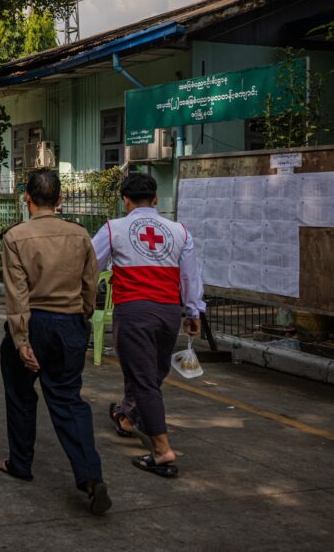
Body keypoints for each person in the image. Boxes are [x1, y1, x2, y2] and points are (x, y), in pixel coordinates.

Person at [0, 169, 110, 515]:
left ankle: (21, 463)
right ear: (59, 200)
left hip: (33, 322)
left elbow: (17, 295)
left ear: (26, 199)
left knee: (20, 394)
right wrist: (82, 319)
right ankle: (90, 476)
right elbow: (91, 286)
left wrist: (21, 340)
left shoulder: (15, 237)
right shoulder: (80, 235)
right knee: (67, 399)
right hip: (70, 324)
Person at [92, 172, 203, 479]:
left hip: (133, 311)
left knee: (143, 378)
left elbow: (90, 264)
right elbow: (190, 277)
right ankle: (126, 417)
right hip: (168, 312)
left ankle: (161, 449)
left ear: (124, 200)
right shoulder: (179, 231)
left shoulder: (114, 228)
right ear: (155, 199)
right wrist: (192, 312)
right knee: (151, 372)